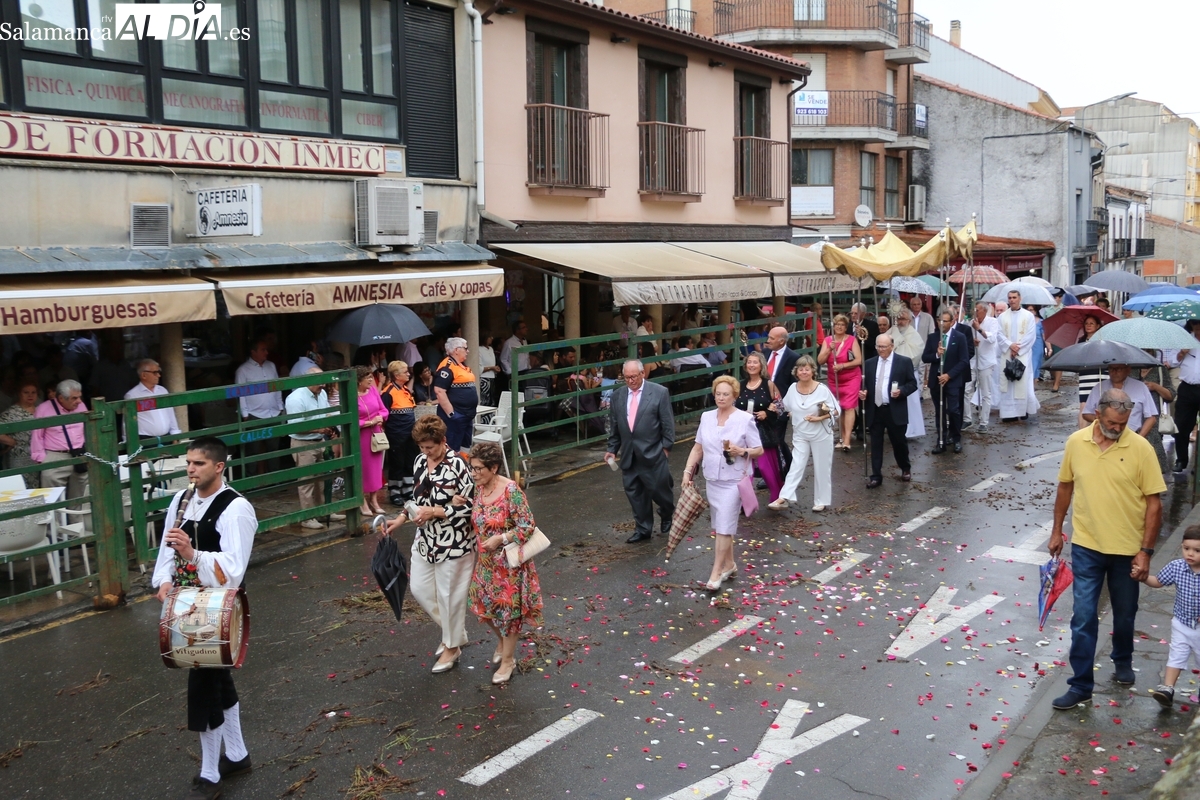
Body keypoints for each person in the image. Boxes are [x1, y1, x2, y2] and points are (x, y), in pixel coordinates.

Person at [151, 437, 257, 800]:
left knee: (203, 687)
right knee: (217, 681)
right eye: (188, 463)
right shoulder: (181, 500)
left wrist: (193, 553)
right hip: (187, 603)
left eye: (198, 463)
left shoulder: (236, 509)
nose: (191, 470)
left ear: (219, 467)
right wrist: (165, 580)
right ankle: (238, 755)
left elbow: (234, 569)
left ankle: (210, 774)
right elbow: (167, 548)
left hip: (217, 608)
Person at [1049, 388, 1166, 710]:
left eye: (1123, 423)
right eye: (1113, 422)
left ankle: (1123, 657)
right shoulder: (1076, 442)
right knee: (1083, 616)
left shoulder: (1140, 448)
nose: (1118, 428)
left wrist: (1146, 552)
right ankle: (1080, 685)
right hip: (1087, 545)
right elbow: (1065, 487)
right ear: (1098, 414)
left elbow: (1154, 504)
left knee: (1125, 614)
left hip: (1127, 549)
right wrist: (1057, 530)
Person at [386, 415, 475, 673]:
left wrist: (435, 511)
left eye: (430, 447)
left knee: (450, 596)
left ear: (442, 441)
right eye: (422, 447)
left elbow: (471, 506)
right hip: (426, 539)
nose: (426, 452)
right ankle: (454, 634)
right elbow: (416, 498)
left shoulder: (458, 465)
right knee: (420, 589)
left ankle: (452, 646)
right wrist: (402, 517)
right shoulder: (419, 461)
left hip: (455, 542)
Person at [466, 441, 544, 685]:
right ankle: (502, 641)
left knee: (509, 615)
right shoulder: (479, 489)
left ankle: (508, 660)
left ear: (494, 467)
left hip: (509, 566)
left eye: (478, 469)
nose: (474, 473)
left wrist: (501, 538)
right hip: (486, 563)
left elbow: (527, 526)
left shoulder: (511, 490)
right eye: (472, 468)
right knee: (481, 606)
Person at [681, 376, 762, 590]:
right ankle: (730, 564)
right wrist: (687, 471)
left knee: (724, 527)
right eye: (718, 394)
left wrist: (741, 450)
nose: (721, 397)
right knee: (720, 525)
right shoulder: (706, 417)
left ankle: (716, 572)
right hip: (712, 479)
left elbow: (759, 449)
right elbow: (698, 448)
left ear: (734, 396)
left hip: (733, 481)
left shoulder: (745, 419)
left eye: (726, 394)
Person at [605, 359, 675, 544]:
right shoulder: (617, 396)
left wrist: (666, 448)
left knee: (660, 490)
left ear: (643, 373)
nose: (630, 381)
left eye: (634, 376)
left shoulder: (659, 392)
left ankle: (667, 511)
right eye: (627, 377)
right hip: (629, 454)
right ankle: (643, 529)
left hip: (653, 452)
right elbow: (615, 426)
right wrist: (612, 449)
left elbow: (667, 423)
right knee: (635, 493)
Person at [1139, 526, 1200, 709]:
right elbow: (1158, 581)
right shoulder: (1177, 567)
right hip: (1181, 623)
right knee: (1176, 655)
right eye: (1186, 548)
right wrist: (1143, 577)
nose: (1190, 554)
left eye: (1197, 550)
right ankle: (1167, 689)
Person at [770, 356, 838, 512]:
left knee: (822, 467)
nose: (804, 372)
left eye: (807, 369)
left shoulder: (822, 389)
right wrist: (775, 407)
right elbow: (785, 406)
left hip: (821, 434)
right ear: (796, 372)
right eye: (801, 369)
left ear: (813, 371)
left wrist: (818, 418)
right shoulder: (793, 388)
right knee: (796, 464)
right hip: (800, 434)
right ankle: (784, 497)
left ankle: (821, 500)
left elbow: (835, 411)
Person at [284, 367, 342, 529]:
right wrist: (320, 429)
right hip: (303, 443)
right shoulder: (295, 398)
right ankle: (307, 517)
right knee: (307, 481)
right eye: (319, 382)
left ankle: (323, 511)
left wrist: (331, 426)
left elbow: (326, 413)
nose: (323, 385)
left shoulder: (321, 394)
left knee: (322, 479)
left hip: (319, 440)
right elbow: (295, 427)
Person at [859, 335, 917, 488]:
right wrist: (864, 392)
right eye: (878, 346)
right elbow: (864, 384)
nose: (881, 349)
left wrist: (902, 391)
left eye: (884, 346)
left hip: (894, 409)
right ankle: (876, 476)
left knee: (899, 442)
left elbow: (912, 383)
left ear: (892, 346)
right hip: (876, 409)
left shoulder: (904, 362)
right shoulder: (869, 363)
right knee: (876, 444)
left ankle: (905, 467)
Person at [735, 352, 783, 502]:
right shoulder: (740, 385)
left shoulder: (768, 384)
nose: (751, 365)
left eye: (755, 362)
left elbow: (780, 406)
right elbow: (732, 405)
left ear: (761, 365)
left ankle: (777, 497)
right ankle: (743, 502)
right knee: (744, 469)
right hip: (743, 431)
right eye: (749, 362)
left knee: (765, 467)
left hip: (763, 431)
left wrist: (767, 413)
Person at [30, 379, 89, 502]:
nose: (79, 401)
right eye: (74, 398)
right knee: (53, 499)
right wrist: (42, 460)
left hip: (79, 454)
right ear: (61, 398)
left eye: (79, 397)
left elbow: (87, 429)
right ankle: (56, 516)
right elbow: (37, 436)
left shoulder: (81, 406)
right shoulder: (43, 409)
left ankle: (76, 516)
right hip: (56, 456)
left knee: (80, 498)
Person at [922, 309, 971, 454]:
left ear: (952, 322)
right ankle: (941, 441)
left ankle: (956, 439)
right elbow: (925, 357)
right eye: (939, 320)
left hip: (952, 380)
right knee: (940, 411)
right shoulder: (933, 337)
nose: (941, 323)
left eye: (945, 321)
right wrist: (937, 355)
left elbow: (964, 360)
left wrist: (949, 375)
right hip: (936, 380)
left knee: (954, 410)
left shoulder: (960, 337)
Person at [234, 338, 284, 475]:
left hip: (274, 413)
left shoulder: (271, 366)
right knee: (252, 451)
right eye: (263, 350)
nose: (266, 352)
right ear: (253, 352)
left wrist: (280, 407)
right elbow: (240, 394)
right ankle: (250, 481)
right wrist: (245, 414)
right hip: (254, 415)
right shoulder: (243, 370)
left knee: (274, 450)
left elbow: (277, 387)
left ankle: (275, 480)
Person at [818, 314, 863, 453]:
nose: (839, 327)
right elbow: (820, 361)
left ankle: (847, 440)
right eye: (837, 324)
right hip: (834, 379)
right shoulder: (828, 340)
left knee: (849, 407)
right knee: (838, 407)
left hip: (851, 378)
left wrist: (843, 366)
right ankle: (842, 437)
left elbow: (858, 360)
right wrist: (828, 349)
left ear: (846, 327)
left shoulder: (852, 340)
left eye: (842, 325)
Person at [995, 289, 1041, 422]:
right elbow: (999, 334)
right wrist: (1010, 345)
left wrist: (1018, 348)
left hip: (1023, 354)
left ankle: (1022, 410)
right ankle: (1008, 413)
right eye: (1010, 298)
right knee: (1008, 382)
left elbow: (1031, 335)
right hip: (1007, 353)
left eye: (1014, 297)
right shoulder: (1002, 316)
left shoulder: (1028, 316)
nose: (1012, 300)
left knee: (1022, 381)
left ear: (1020, 299)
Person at [1082, 364, 1158, 439]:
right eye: (1111, 369)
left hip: (1132, 436)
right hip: (1104, 436)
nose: (1114, 372)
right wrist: (1101, 419)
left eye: (1118, 369)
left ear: (1128, 370)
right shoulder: (1099, 387)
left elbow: (1152, 417)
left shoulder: (1140, 387)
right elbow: (1086, 413)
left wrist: (1139, 438)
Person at [381, 361, 418, 504]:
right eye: (405, 372)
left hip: (410, 433)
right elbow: (384, 415)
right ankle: (395, 491)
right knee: (397, 463)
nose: (408, 374)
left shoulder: (406, 390)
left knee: (410, 461)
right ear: (396, 375)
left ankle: (408, 489)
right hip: (396, 434)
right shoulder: (388, 392)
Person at [433, 337, 477, 455]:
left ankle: (463, 465)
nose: (468, 351)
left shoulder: (460, 365)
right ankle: (452, 466)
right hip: (456, 416)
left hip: (467, 415)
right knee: (452, 448)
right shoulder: (447, 367)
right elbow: (439, 391)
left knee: (465, 447)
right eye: (465, 348)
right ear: (456, 350)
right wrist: (452, 414)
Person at [355, 365, 388, 516]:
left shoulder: (373, 391)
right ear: (358, 380)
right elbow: (351, 420)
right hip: (361, 436)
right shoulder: (352, 396)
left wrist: (381, 418)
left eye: (370, 377)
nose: (371, 380)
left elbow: (383, 409)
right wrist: (369, 422)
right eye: (367, 378)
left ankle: (374, 500)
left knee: (376, 469)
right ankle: (361, 500)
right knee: (363, 469)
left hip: (376, 435)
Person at [124, 359, 182, 440]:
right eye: (155, 372)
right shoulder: (132, 395)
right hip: (145, 441)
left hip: (166, 438)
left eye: (159, 372)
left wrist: (175, 435)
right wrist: (129, 442)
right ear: (144, 375)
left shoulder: (162, 390)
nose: (158, 375)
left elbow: (170, 414)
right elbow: (127, 423)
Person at [891, 309, 926, 440]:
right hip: (893, 373)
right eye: (898, 319)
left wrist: (900, 341)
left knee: (911, 403)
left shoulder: (915, 335)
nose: (900, 322)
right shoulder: (893, 331)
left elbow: (916, 353)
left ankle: (912, 430)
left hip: (908, 374)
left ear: (909, 321)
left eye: (903, 319)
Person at [0, 378, 40, 488]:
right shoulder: (11, 413)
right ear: (19, 394)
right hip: (19, 458)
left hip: (38, 457)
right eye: (26, 392)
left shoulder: (41, 410)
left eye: (33, 392)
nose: (30, 395)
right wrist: (10, 441)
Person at [1172, 321, 1200, 474]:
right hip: (1187, 388)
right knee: (1181, 425)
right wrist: (1182, 353)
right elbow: (1172, 361)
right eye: (1195, 325)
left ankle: (1198, 465)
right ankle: (1181, 460)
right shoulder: (1184, 340)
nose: (1198, 328)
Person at [967, 301, 1000, 432]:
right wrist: (972, 341)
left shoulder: (993, 322)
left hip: (986, 361)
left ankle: (984, 422)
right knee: (966, 389)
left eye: (978, 310)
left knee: (986, 392)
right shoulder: (971, 322)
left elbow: (992, 339)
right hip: (973, 361)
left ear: (985, 311)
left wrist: (979, 329)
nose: (975, 312)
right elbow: (967, 340)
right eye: (974, 309)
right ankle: (967, 419)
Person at [1139, 358, 1176, 475]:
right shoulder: (1129, 369)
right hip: (1132, 419)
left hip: (1153, 420)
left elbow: (1170, 395)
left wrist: (1155, 386)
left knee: (1155, 465)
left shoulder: (1160, 369)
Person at [1075, 314, 1108, 428]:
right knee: (1084, 405)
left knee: (1101, 405)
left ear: (1098, 326)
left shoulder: (1103, 340)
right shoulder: (1081, 341)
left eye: (1091, 323)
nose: (1088, 326)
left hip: (1101, 374)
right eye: (1086, 323)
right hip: (1086, 376)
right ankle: (1082, 433)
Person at [499, 320, 530, 393]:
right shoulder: (509, 343)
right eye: (524, 327)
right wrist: (510, 372)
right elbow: (503, 359)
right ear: (517, 330)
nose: (526, 329)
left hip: (526, 371)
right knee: (517, 393)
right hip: (516, 373)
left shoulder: (525, 341)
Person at [478, 334, 500, 406]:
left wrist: (495, 368)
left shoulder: (491, 349)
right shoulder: (479, 349)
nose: (492, 338)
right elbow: (478, 368)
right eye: (489, 337)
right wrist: (491, 368)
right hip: (484, 379)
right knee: (485, 401)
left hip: (492, 378)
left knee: (492, 401)